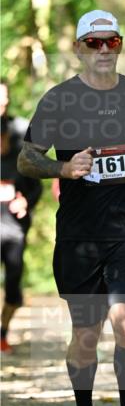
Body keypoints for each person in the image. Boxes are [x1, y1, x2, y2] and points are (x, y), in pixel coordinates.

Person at [18, 10, 125, 406]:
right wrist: (63, 168)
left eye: (112, 41)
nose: (104, 50)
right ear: (79, 48)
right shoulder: (60, 100)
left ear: (120, 45)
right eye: (94, 42)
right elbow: (28, 158)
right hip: (79, 235)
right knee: (86, 334)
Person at [1, 81, 42, 352]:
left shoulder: (19, 130)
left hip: (13, 223)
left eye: (4, 97)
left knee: (13, 282)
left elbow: (35, 175)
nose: (1, 102)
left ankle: (2, 332)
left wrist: (26, 200)